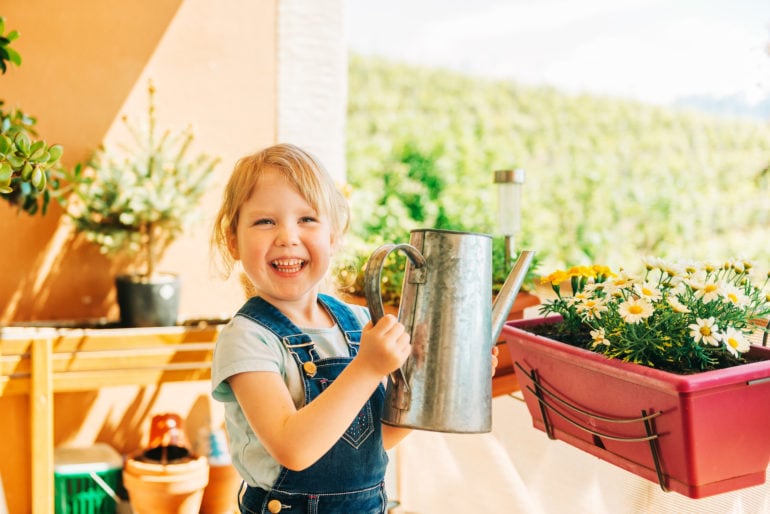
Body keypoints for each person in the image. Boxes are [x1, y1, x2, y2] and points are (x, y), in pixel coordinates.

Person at [210, 143, 499, 514]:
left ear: (333, 236)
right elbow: (293, 449)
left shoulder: (359, 323)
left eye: (307, 219)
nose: (287, 236)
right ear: (233, 240)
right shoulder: (247, 339)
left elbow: (379, 440)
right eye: (265, 221)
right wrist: (366, 368)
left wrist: (455, 380)